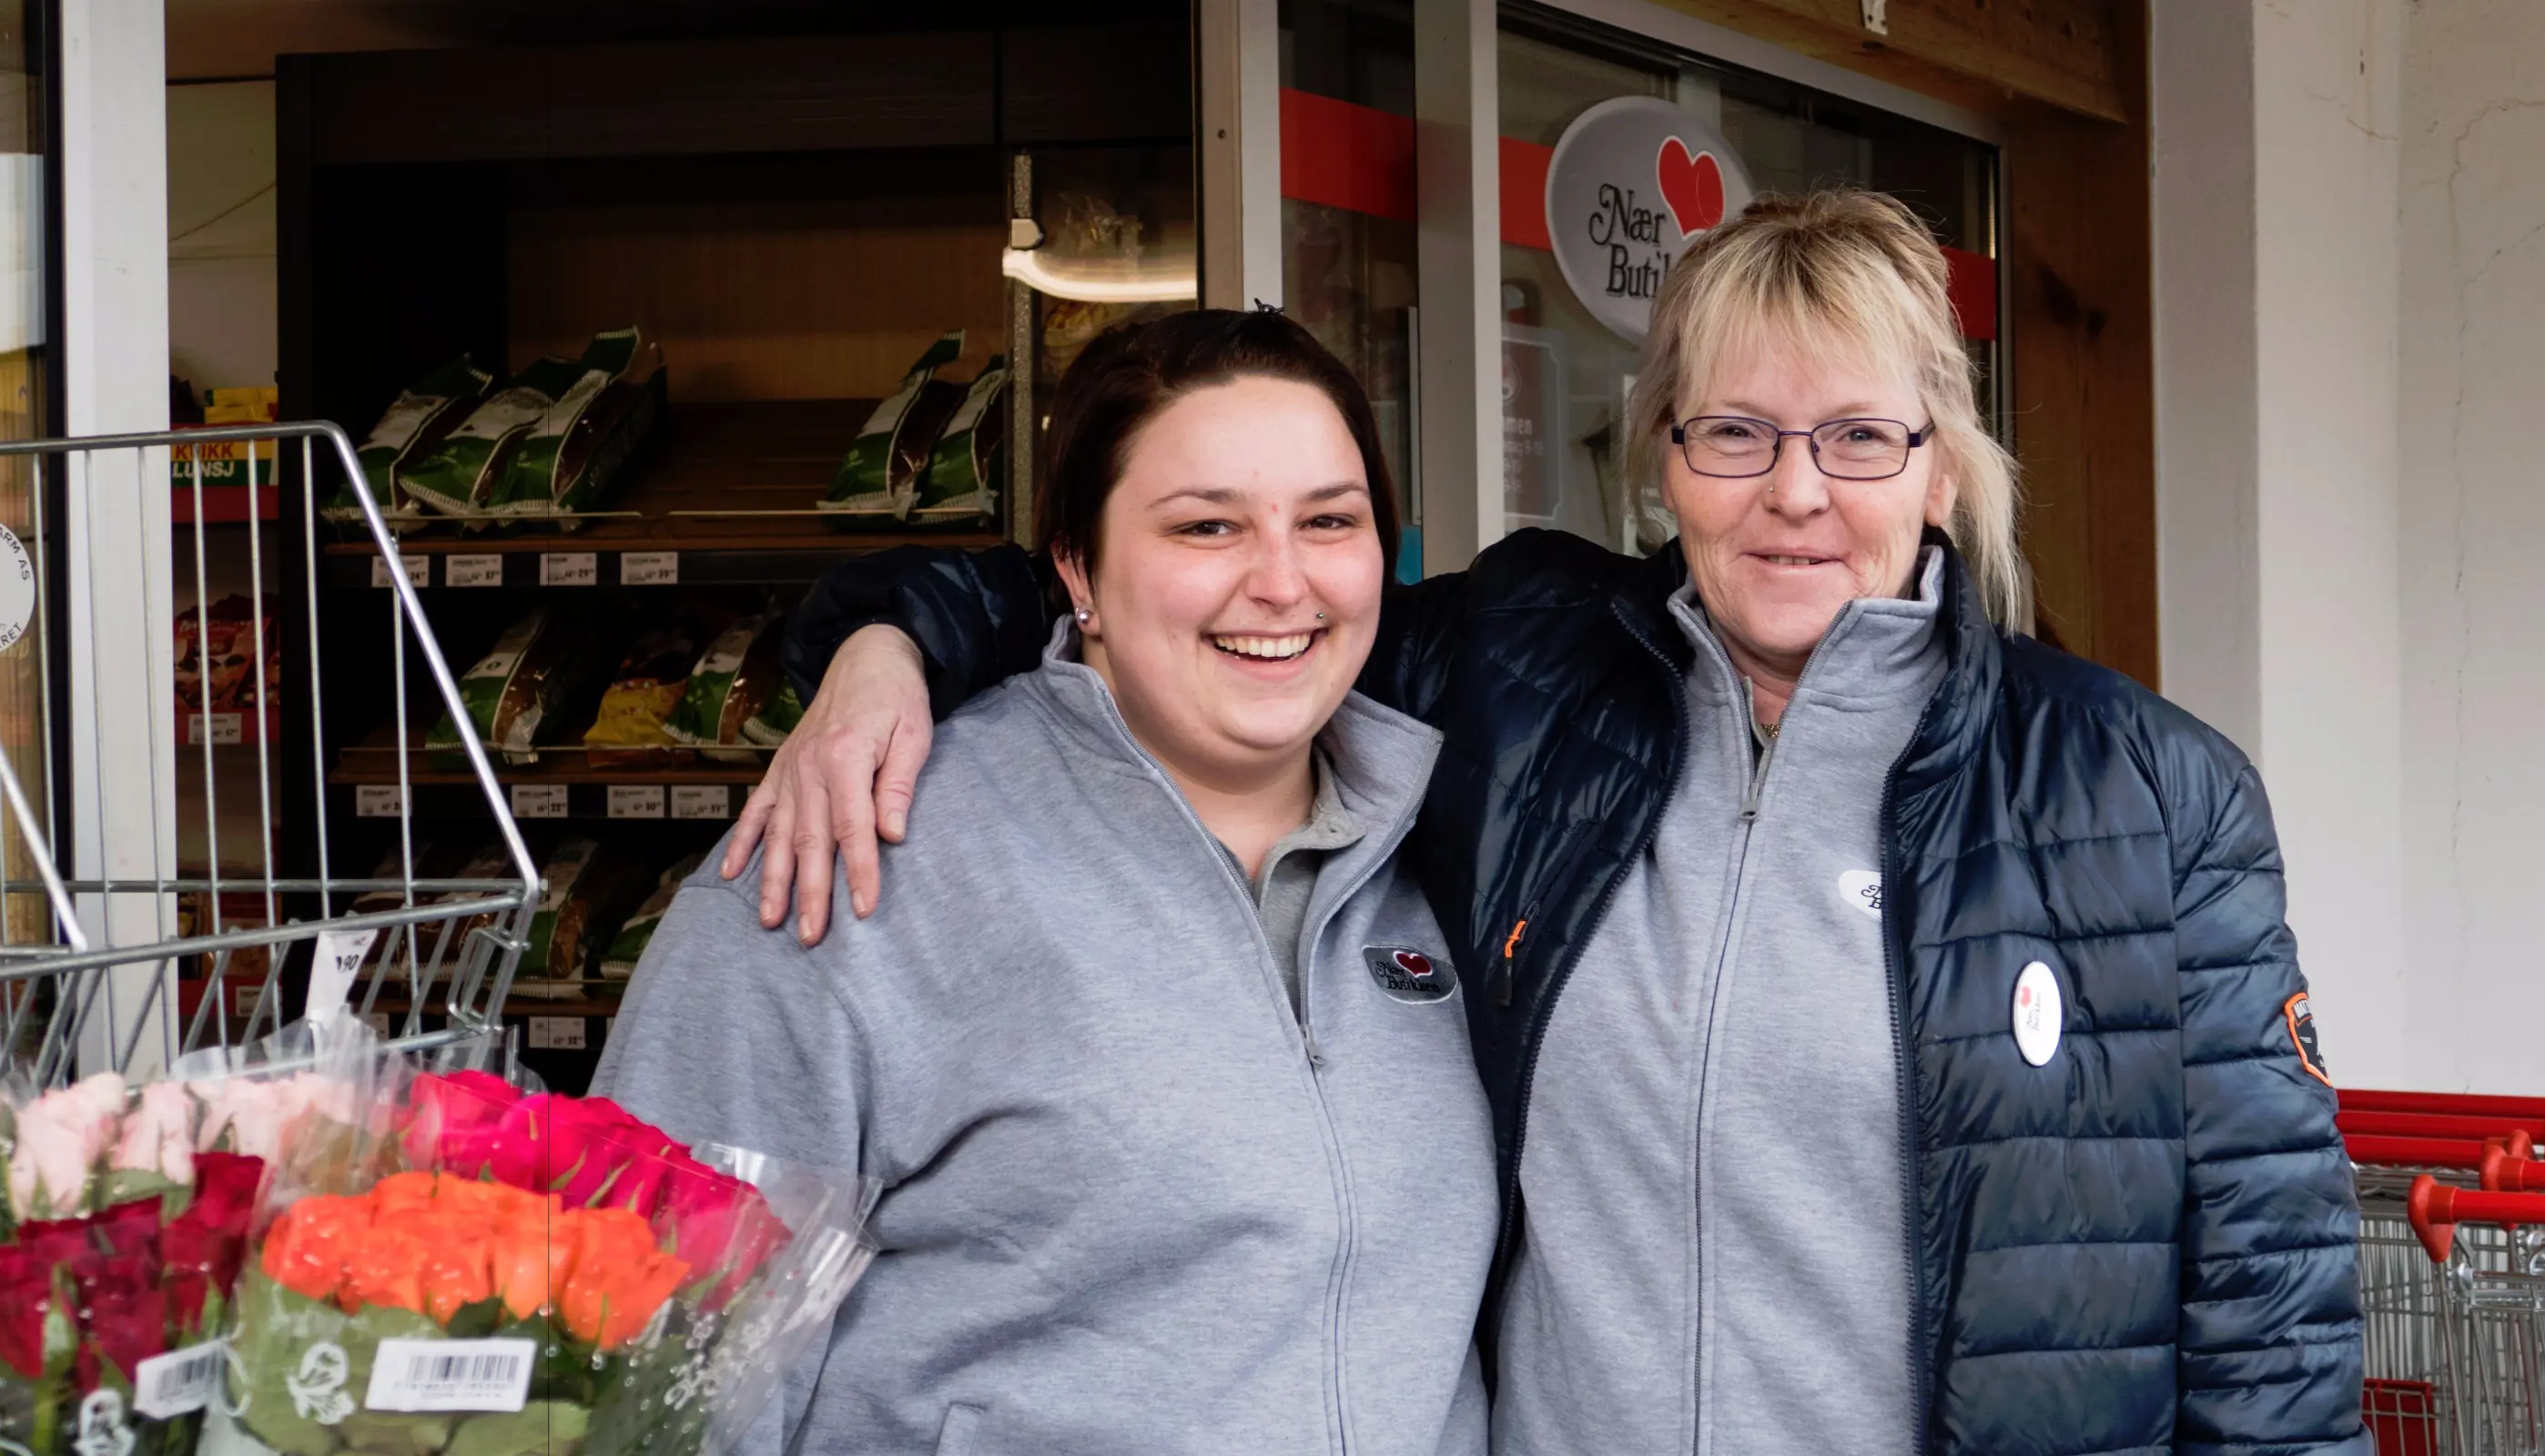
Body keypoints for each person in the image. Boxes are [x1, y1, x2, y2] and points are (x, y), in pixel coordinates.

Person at [729, 192, 2368, 1454]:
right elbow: (1197, 599)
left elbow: (2270, 1317)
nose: (1796, 491)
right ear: (1663, 459)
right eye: (1734, 432)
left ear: (1940, 470)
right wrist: (882, 645)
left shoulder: (2141, 794)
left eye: (1860, 437)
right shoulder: (1522, 676)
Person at [595, 309, 1497, 1455]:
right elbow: (647, 1374)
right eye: (1205, 525)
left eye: (1328, 520)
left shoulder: (1448, 840)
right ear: (1077, 565)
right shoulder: (857, 855)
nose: (1281, 581)